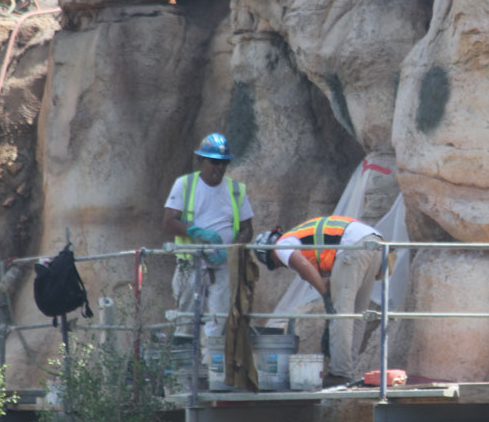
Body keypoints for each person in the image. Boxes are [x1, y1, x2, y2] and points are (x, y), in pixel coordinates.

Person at [255, 216, 382, 386]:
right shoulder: (301, 239)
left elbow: (304, 266)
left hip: (353, 246)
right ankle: (347, 368)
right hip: (374, 244)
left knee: (340, 313)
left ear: (270, 252)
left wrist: (326, 297)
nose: (281, 266)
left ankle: (340, 373)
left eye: (275, 263)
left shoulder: (281, 246)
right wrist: (328, 292)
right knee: (358, 314)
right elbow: (329, 275)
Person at [162, 133, 253, 339]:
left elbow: (247, 228)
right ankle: (185, 369)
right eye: (214, 162)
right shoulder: (185, 185)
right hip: (191, 263)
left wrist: (230, 250)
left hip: (223, 266)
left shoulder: (236, 190)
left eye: (224, 163)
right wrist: (196, 232)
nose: (219, 167)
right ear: (201, 161)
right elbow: (168, 222)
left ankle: (213, 366)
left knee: (219, 322)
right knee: (185, 321)